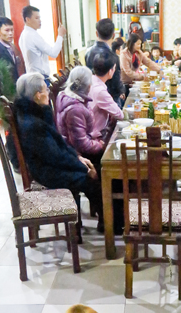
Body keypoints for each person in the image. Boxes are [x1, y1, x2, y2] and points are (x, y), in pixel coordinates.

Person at [13, 72, 104, 232]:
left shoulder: (34, 112)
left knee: (93, 167)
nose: (49, 93)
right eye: (46, 90)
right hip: (47, 171)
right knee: (93, 180)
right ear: (37, 95)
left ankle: (106, 218)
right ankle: (110, 223)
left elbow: (59, 145)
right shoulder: (33, 125)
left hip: (50, 163)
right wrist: (82, 167)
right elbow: (55, 156)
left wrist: (78, 157)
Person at [55, 66, 104, 174]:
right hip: (76, 153)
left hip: (76, 147)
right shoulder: (75, 109)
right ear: (88, 86)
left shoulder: (66, 95)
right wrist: (100, 145)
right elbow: (82, 144)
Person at [19, 5, 66, 85]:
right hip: (40, 79)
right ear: (28, 19)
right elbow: (53, 53)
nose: (40, 21)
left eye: (39, 18)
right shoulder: (32, 35)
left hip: (33, 78)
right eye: (36, 18)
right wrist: (60, 35)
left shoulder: (23, 35)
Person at [85, 18, 125, 107]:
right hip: (110, 97)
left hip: (92, 97)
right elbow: (116, 79)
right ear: (113, 35)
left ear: (96, 33)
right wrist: (121, 91)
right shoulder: (113, 56)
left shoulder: (88, 53)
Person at [89, 54, 124, 136]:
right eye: (114, 67)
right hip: (96, 135)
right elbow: (119, 114)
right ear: (110, 71)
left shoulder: (91, 80)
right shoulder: (100, 91)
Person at [0, 16, 22, 99]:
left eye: (12, 30)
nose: (10, 33)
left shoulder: (12, 47)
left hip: (16, 92)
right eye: (7, 30)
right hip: (5, 96)